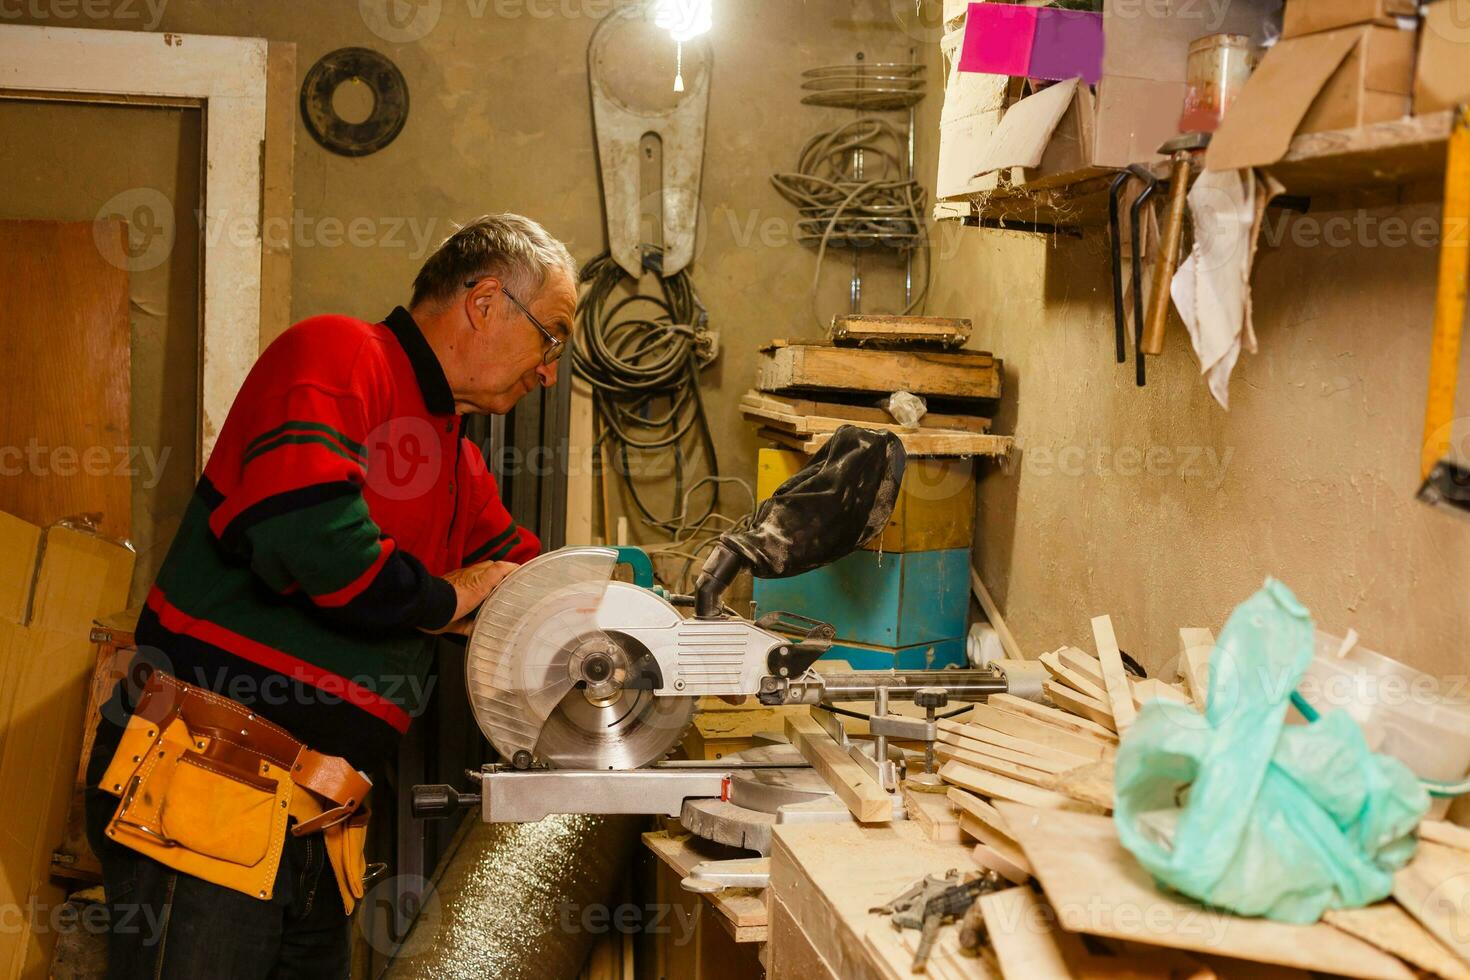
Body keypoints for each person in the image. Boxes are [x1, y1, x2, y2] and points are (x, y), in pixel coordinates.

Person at [84, 213, 578, 979]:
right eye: (550, 336)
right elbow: (312, 537)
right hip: (212, 786)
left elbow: (538, 591)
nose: (550, 368)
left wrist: (637, 615)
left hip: (316, 819)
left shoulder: (455, 458)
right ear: (484, 303)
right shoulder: (339, 353)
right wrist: (449, 598)